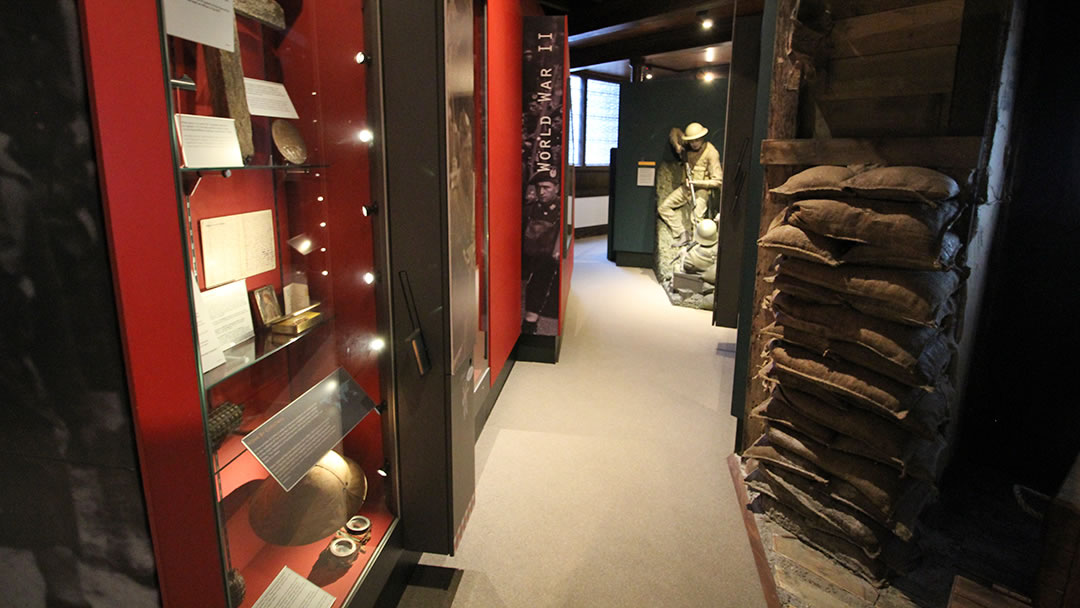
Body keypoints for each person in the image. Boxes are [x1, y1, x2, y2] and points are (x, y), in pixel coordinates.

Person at [658, 122, 722, 245]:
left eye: (697, 140)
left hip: (701, 190)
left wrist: (695, 182)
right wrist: (677, 146)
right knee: (664, 208)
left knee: (696, 217)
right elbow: (674, 130)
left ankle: (698, 243)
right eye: (691, 141)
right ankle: (683, 234)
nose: (694, 144)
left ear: (702, 138)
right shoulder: (687, 146)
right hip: (686, 188)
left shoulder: (711, 152)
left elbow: (718, 181)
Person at [521, 171, 561, 334]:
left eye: (546, 187)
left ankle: (532, 320)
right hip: (528, 254)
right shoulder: (530, 209)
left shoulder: (560, 210)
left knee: (541, 280)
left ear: (556, 188)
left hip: (547, 258)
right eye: (539, 188)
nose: (542, 192)